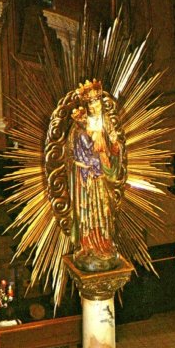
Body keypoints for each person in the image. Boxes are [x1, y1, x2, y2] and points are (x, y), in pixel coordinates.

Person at [68, 79, 123, 272]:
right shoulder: (78, 128)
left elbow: (114, 148)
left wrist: (115, 148)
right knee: (88, 212)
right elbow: (74, 154)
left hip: (103, 175)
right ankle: (88, 245)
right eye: (90, 103)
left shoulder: (106, 121)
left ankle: (104, 243)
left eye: (97, 101)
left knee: (104, 210)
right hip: (85, 178)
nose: (94, 106)